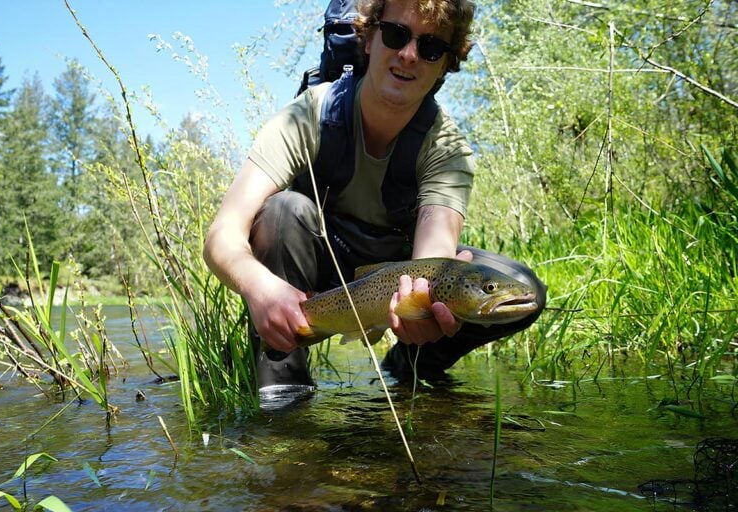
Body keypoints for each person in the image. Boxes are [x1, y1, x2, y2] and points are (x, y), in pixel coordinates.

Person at [203, 0, 546, 393]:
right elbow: (223, 234)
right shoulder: (306, 117)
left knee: (522, 287)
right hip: (314, 274)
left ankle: (412, 364)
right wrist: (257, 286)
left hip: (396, 280)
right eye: (396, 34)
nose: (409, 55)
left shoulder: (445, 147)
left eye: (431, 46)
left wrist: (419, 309)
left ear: (445, 65)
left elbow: (431, 263)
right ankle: (282, 386)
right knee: (283, 210)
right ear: (368, 38)